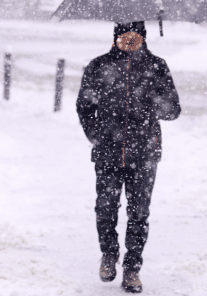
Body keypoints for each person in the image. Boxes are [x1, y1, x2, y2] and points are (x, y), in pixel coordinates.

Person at [76, 21, 181, 293]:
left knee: (139, 213)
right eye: (124, 33)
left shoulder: (156, 66)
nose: (130, 38)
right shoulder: (99, 66)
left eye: (135, 34)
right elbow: (84, 106)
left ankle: (133, 268)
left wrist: (156, 101)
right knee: (106, 207)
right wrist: (96, 135)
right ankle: (109, 255)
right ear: (115, 36)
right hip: (108, 152)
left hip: (144, 151)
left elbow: (173, 110)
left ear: (144, 36)